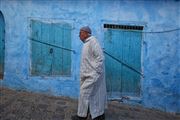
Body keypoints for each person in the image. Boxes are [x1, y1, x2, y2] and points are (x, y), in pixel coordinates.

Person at [71, 26, 107, 120]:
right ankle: (96, 115)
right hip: (87, 75)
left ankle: (81, 116)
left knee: (84, 93)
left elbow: (100, 58)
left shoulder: (93, 41)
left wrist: (95, 73)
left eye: (80, 33)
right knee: (93, 95)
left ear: (86, 33)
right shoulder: (87, 43)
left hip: (92, 75)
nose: (79, 36)